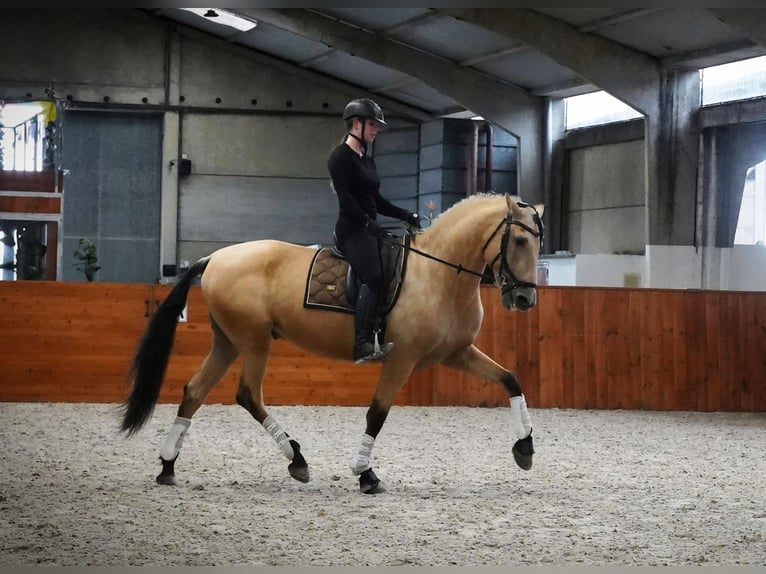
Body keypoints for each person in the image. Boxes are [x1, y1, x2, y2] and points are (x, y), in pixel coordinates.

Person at [327, 98, 421, 364]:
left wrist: (405, 215)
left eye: (376, 125)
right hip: (351, 230)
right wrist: (368, 223)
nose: (376, 130)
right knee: (374, 277)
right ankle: (363, 344)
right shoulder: (339, 157)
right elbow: (345, 199)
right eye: (372, 124)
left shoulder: (367, 161)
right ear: (355, 124)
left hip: (369, 228)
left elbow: (376, 201)